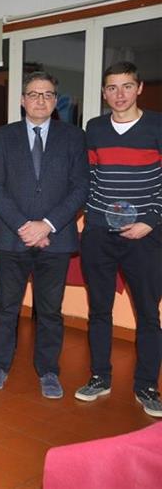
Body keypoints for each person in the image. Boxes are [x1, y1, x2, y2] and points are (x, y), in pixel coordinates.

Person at [0, 71, 89, 399]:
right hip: (12, 237)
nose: (40, 100)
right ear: (22, 100)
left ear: (56, 101)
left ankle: (48, 371)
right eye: (33, 94)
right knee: (6, 307)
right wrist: (25, 226)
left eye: (47, 94)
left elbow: (80, 188)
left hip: (56, 239)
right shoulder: (3, 136)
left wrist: (47, 225)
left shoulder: (74, 137)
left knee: (50, 311)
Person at [75, 61, 162, 417]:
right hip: (99, 234)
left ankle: (147, 387)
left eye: (127, 86)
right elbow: (90, 176)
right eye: (112, 88)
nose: (119, 94)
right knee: (99, 311)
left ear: (139, 88)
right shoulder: (94, 128)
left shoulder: (157, 125)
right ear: (103, 93)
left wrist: (150, 221)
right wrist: (92, 218)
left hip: (144, 236)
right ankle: (100, 377)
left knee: (148, 315)